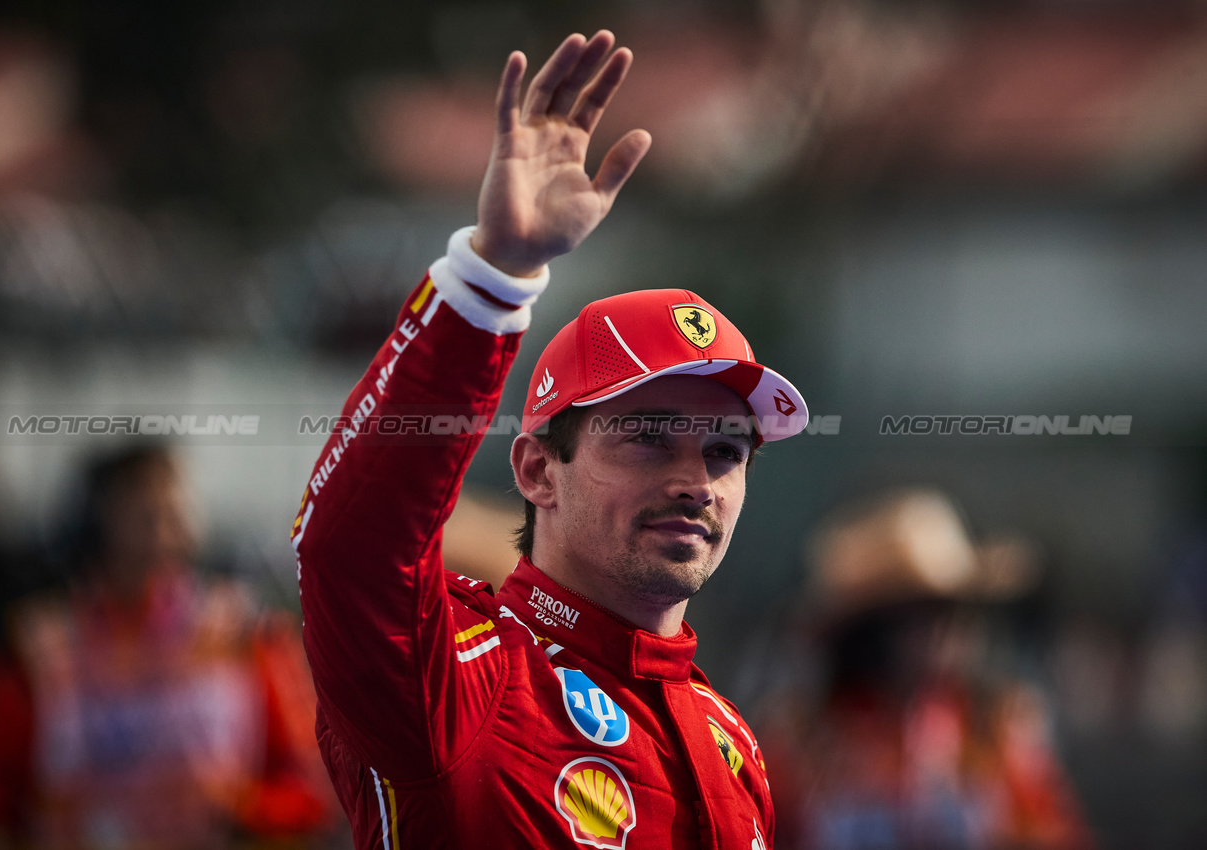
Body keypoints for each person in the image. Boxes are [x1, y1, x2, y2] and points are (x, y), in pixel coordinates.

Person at [291, 31, 809, 849]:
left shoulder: (730, 738)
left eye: (724, 451)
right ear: (537, 468)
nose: (695, 481)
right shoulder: (463, 681)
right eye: (646, 438)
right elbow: (349, 550)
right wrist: (490, 281)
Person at [0, 446, 335, 848]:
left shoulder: (245, 635)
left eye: (172, 516)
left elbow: (308, 789)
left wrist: (247, 808)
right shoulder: (36, 649)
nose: (161, 537)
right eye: (143, 519)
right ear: (89, 530)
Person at [748, 489, 1093, 850]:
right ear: (868, 630)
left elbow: (1055, 834)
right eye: (924, 612)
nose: (948, 628)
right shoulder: (801, 739)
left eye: (957, 608)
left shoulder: (998, 727)